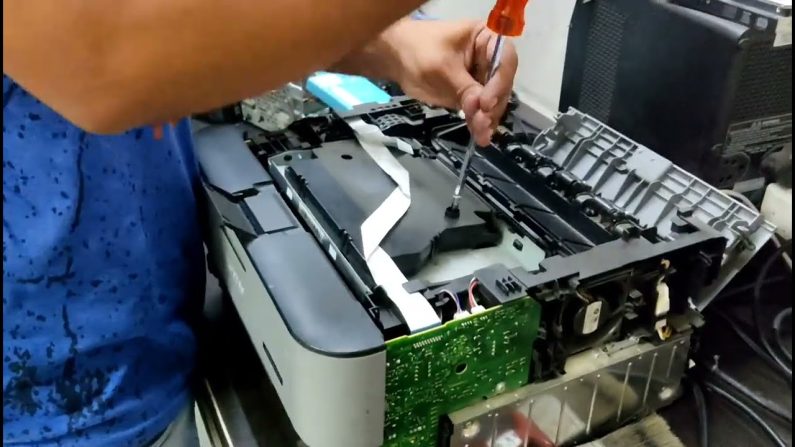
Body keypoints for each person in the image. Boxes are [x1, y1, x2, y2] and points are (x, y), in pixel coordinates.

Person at [3, 2, 519, 446]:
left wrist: (395, 46)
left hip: (157, 351)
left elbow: (184, 21)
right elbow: (105, 61)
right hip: (44, 412)